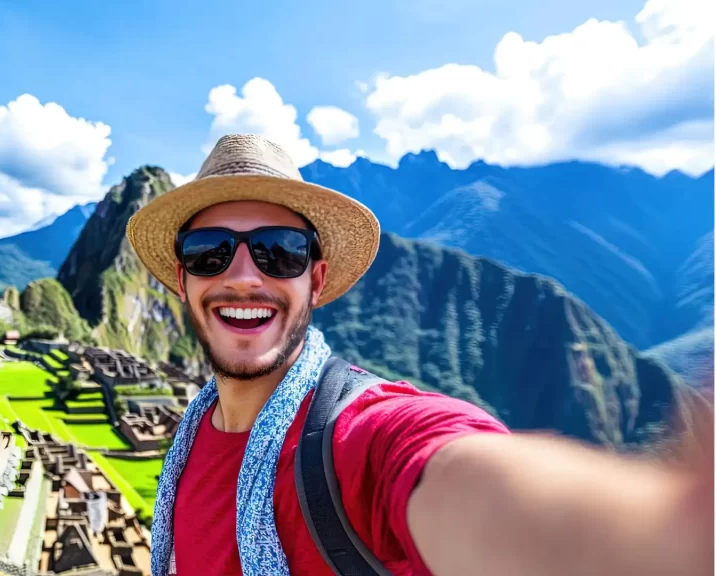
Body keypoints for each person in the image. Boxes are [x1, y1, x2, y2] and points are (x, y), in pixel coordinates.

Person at [125, 134, 713, 576]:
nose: (245, 277)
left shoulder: (362, 440)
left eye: (280, 251)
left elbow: (461, 475)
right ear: (182, 280)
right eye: (210, 252)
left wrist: (652, 534)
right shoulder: (192, 438)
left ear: (317, 278)